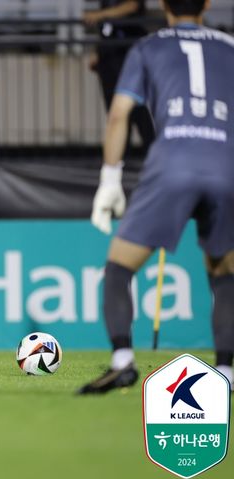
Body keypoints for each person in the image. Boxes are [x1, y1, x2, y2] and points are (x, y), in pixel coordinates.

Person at [80, 0, 234, 394]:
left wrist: (110, 179)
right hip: (225, 165)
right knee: (224, 274)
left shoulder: (148, 47)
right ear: (208, 5)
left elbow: (119, 114)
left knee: (119, 268)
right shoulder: (229, 46)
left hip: (172, 162)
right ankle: (228, 375)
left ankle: (123, 362)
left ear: (164, 5)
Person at [84, 0, 155, 152]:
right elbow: (106, 30)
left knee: (135, 106)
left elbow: (133, 5)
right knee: (114, 110)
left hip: (127, 53)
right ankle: (121, 153)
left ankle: (152, 151)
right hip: (108, 55)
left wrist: (100, 15)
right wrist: (98, 50)